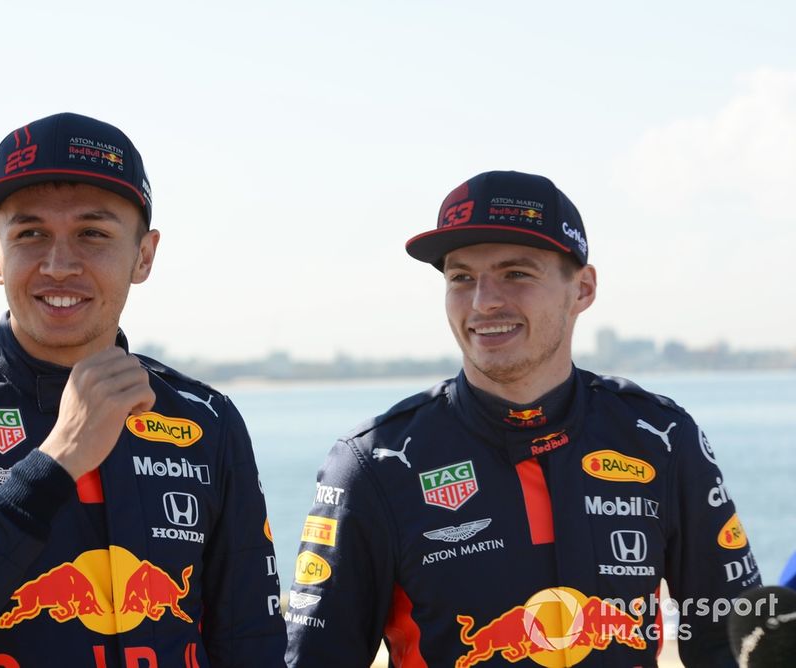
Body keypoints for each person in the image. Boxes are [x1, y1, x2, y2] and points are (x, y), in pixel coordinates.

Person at [0, 112, 287, 667]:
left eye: (93, 233)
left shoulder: (206, 418)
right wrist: (55, 461)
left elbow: (251, 644)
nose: (59, 264)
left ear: (144, 255)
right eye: (30, 233)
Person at [284, 170, 761, 667]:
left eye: (516, 273)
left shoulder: (660, 439)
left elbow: (729, 642)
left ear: (582, 289)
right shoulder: (374, 461)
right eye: (462, 277)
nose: (483, 301)